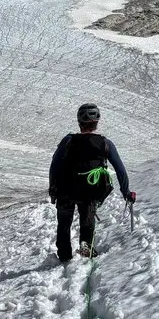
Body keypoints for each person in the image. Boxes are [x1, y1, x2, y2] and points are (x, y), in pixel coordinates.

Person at [48, 103, 136, 262]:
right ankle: (86, 248)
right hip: (90, 192)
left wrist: (52, 189)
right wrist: (126, 192)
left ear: (79, 122)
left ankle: (64, 255)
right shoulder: (105, 144)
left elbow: (54, 166)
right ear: (97, 123)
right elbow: (120, 170)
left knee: (63, 224)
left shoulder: (67, 141)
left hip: (64, 190)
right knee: (87, 221)